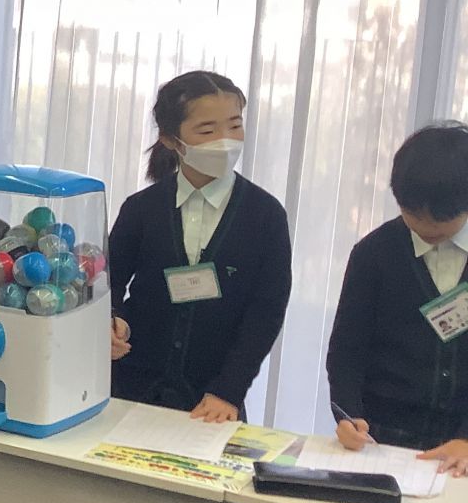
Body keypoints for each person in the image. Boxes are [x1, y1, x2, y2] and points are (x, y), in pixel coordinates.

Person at [107, 71, 292, 422]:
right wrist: (109, 322)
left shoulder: (265, 215)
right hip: (131, 390)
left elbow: (266, 312)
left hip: (214, 403)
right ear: (171, 140)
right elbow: (107, 282)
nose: (225, 141)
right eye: (207, 131)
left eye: (235, 126)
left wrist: (229, 390)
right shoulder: (141, 208)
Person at [330, 122, 468, 472]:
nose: (426, 227)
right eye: (414, 215)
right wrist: (348, 415)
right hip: (384, 436)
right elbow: (347, 350)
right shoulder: (374, 253)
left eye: (441, 220)